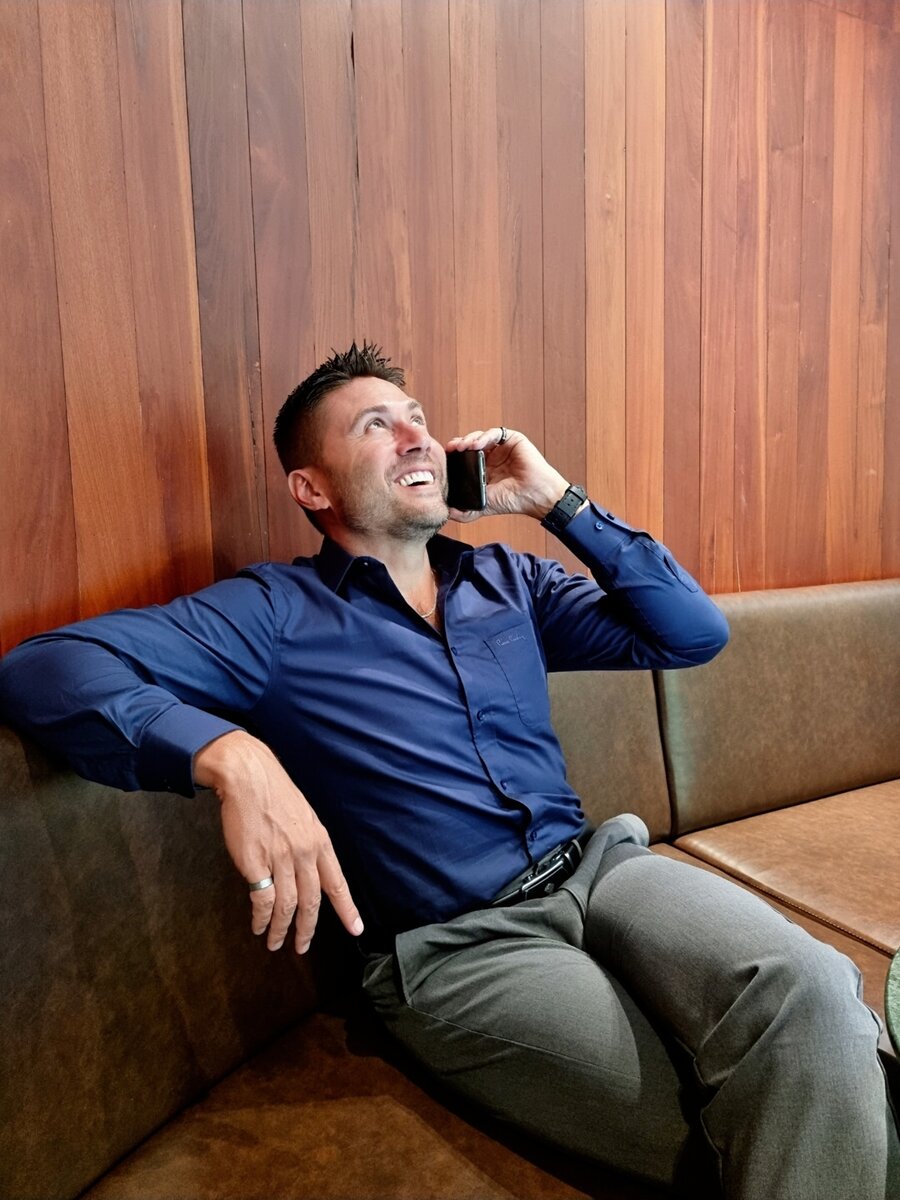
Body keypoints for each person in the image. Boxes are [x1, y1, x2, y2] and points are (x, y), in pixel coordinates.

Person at [0, 342, 896, 1199]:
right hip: (461, 948)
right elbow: (41, 670)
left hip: (602, 870)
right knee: (751, 1115)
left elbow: (690, 632)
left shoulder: (509, 582)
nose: (415, 437)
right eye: (375, 426)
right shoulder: (274, 614)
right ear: (311, 487)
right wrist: (229, 753)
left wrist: (554, 500)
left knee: (815, 992)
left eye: (419, 419)